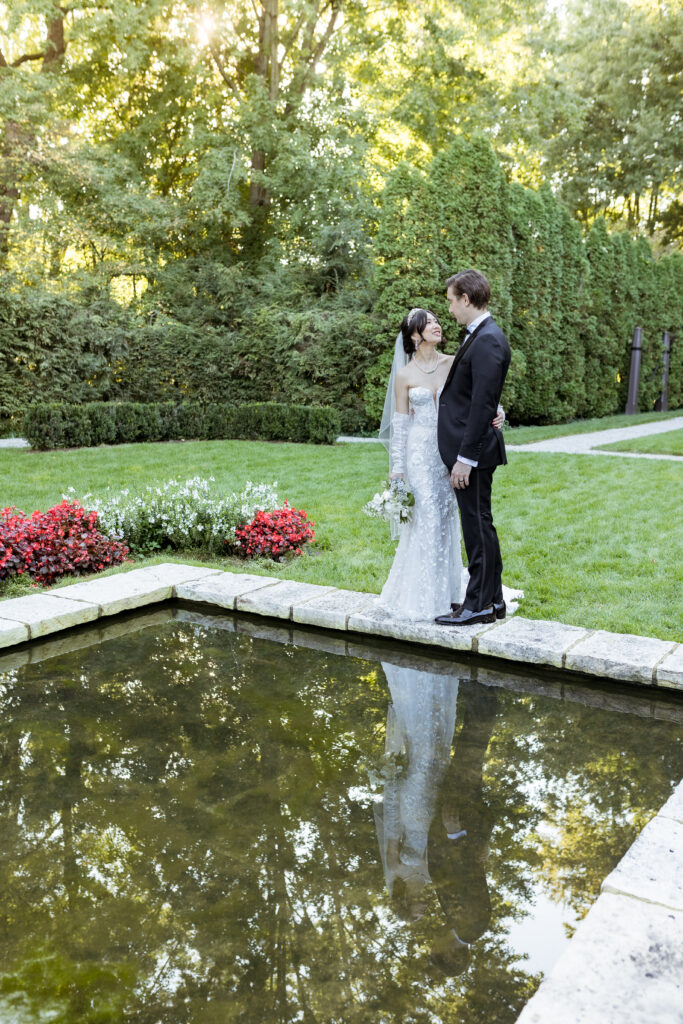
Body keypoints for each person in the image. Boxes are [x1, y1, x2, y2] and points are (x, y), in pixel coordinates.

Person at [376, 306, 507, 621]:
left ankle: (452, 593)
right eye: (428, 323)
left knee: (452, 520)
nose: (436, 324)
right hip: (421, 456)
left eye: (436, 319)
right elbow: (401, 427)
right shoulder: (405, 376)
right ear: (413, 335)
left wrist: (499, 411)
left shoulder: (453, 363)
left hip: (452, 453)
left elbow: (479, 396)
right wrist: (397, 470)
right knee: (428, 519)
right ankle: (426, 595)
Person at [435, 269, 511, 626]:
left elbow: (483, 404)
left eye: (451, 301)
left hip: (474, 455)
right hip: (474, 450)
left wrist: (465, 459)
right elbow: (481, 398)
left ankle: (477, 605)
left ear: (466, 298)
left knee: (477, 528)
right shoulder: (480, 336)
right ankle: (492, 601)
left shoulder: (488, 339)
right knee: (481, 524)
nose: (449, 309)